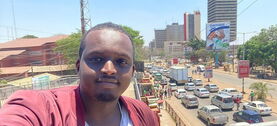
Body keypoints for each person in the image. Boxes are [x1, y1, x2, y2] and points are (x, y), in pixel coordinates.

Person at [0, 22, 160, 126]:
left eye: (122, 62)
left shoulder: (144, 115)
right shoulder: (43, 109)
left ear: (132, 72)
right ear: (78, 66)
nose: (109, 69)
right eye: (97, 59)